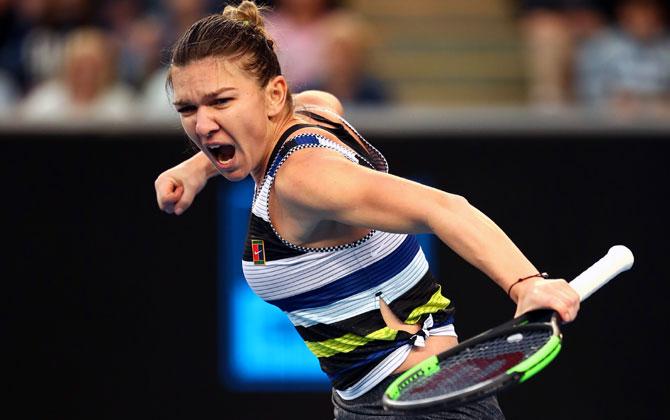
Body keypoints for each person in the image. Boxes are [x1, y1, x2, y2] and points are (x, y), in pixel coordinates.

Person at [153, 2, 581, 418]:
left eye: (221, 102)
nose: (203, 125)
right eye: (188, 109)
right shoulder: (313, 117)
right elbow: (320, 98)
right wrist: (197, 167)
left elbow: (444, 208)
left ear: (273, 95)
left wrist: (525, 283)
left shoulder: (303, 178)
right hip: (387, 401)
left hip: (415, 407)